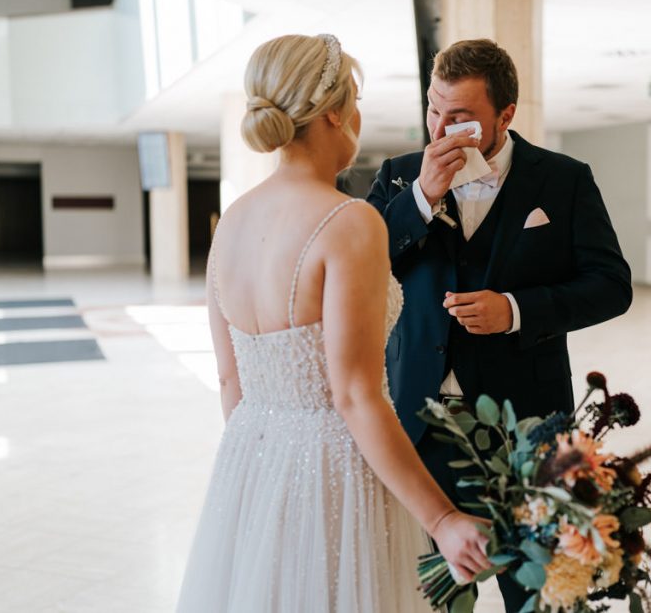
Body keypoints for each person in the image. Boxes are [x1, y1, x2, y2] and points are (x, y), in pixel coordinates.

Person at [177, 34, 490, 613]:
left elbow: (230, 381)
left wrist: (266, 466)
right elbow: (354, 395)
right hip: (336, 469)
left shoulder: (231, 224)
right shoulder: (350, 223)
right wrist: (442, 519)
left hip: (253, 459)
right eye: (356, 100)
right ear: (334, 115)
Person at [367, 38, 633, 611]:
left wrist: (515, 310)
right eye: (433, 110)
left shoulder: (563, 180)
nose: (439, 128)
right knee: (427, 598)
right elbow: (360, 268)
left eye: (459, 117)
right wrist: (419, 199)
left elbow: (612, 285)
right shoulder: (396, 177)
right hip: (417, 427)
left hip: (528, 430)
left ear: (504, 115)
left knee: (538, 596)